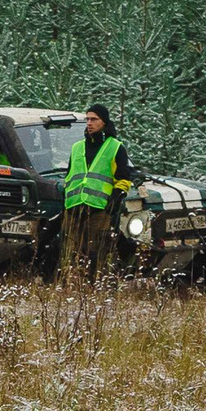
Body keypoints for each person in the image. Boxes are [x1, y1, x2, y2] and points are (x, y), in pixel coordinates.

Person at [60, 103, 134, 285]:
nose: (89, 123)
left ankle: (95, 287)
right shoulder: (77, 147)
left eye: (94, 119)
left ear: (104, 122)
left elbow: (124, 179)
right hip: (74, 208)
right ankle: (70, 287)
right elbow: (69, 176)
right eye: (87, 119)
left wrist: (115, 199)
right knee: (69, 252)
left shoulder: (115, 147)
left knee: (97, 253)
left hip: (99, 209)